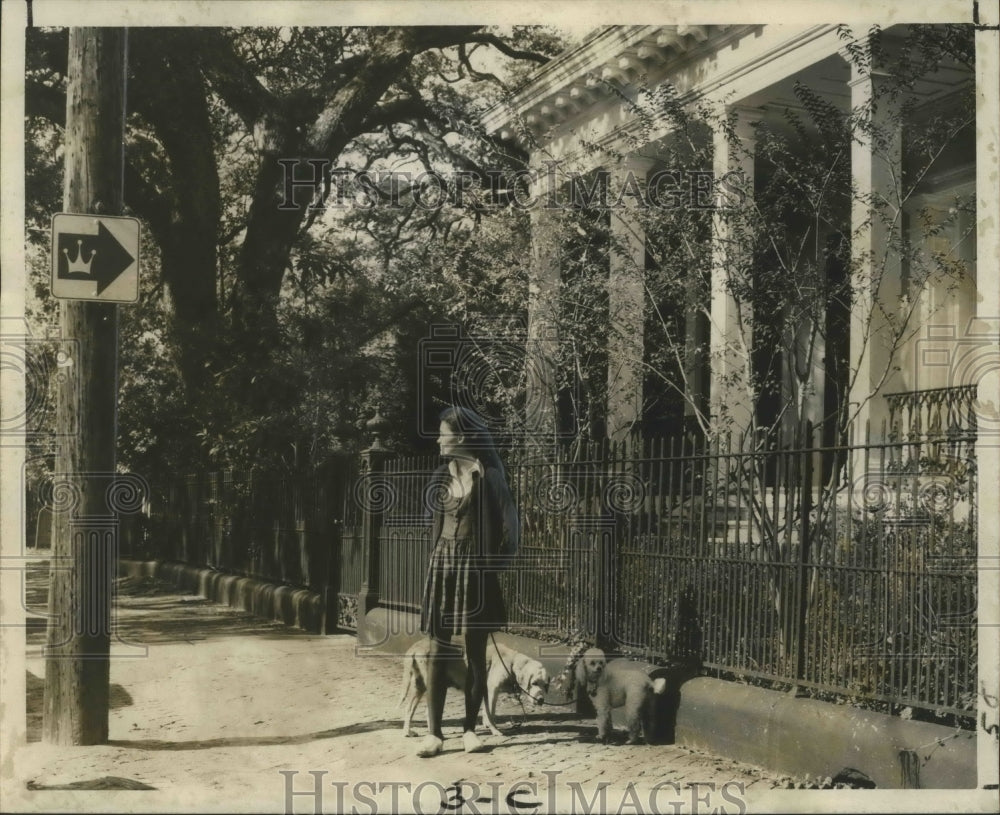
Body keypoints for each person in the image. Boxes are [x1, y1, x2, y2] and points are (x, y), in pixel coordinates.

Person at [416, 406, 519, 758]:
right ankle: (434, 735)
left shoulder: (489, 476)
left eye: (443, 432)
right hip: (442, 568)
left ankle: (470, 730)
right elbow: (432, 526)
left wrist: (491, 569)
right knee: (435, 648)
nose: (438, 438)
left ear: (460, 437)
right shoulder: (439, 477)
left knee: (474, 652)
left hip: (474, 572)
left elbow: (513, 531)